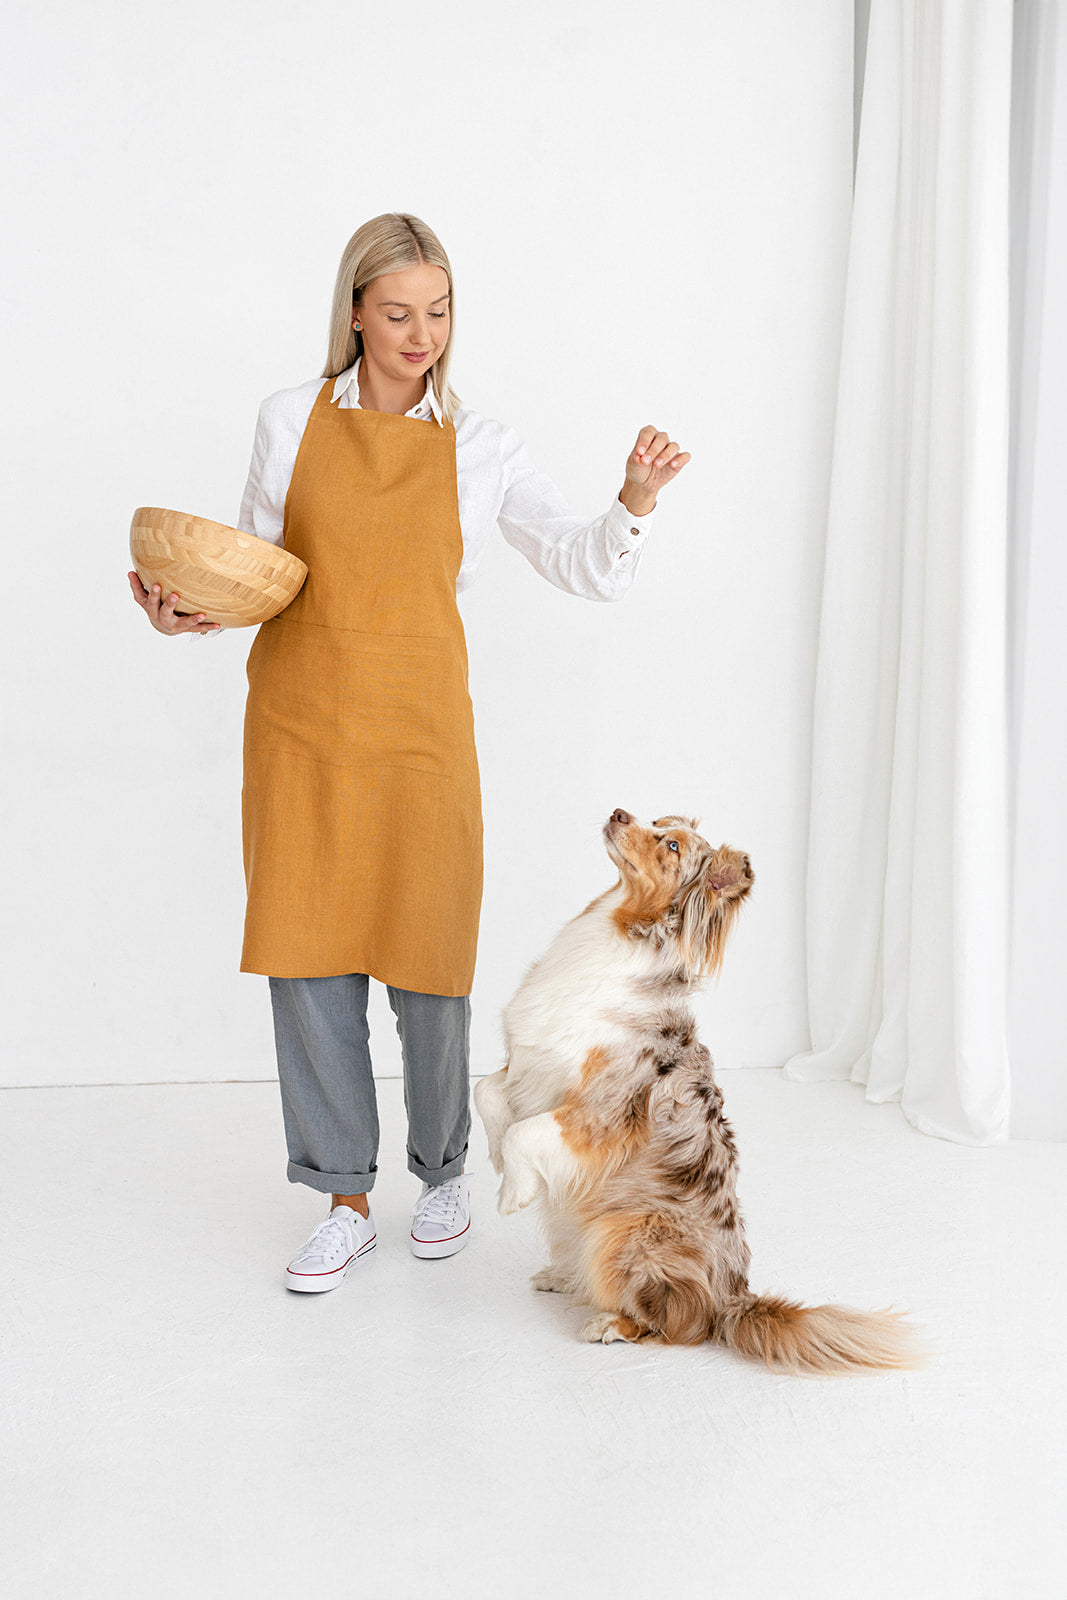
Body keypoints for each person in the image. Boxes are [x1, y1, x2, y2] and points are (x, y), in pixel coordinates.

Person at [127, 211, 690, 1293]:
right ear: (352, 313)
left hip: (422, 733)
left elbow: (584, 564)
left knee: (429, 969)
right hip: (300, 725)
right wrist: (185, 611)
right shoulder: (288, 418)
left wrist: (631, 504)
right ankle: (343, 1197)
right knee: (308, 965)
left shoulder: (481, 446)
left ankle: (439, 1176)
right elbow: (260, 571)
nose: (419, 332)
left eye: (436, 312)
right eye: (396, 313)